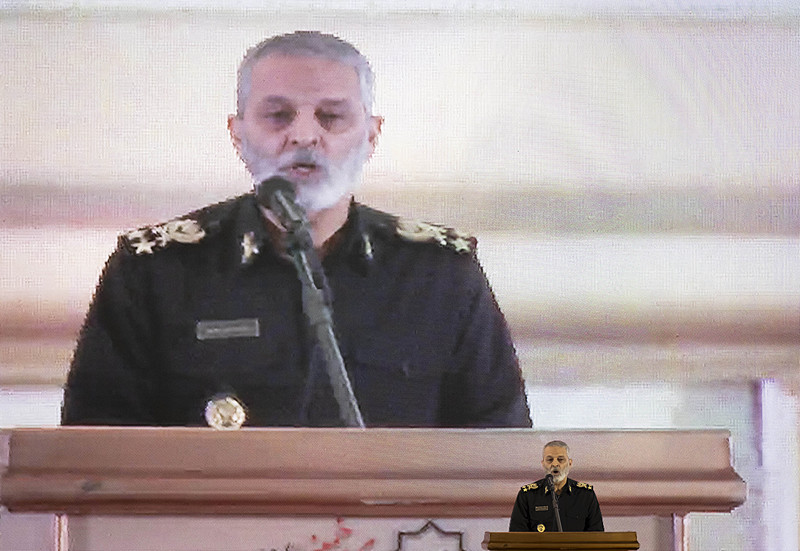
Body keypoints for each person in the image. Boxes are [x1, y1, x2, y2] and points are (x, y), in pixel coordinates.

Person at [61, 31, 531, 428]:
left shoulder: (439, 275)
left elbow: (498, 456)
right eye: (278, 115)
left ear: (371, 135)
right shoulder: (154, 271)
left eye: (331, 116)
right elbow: (90, 459)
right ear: (238, 134)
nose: (305, 135)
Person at [509, 440, 604, 532]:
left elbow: (597, 536)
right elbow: (516, 536)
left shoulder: (585, 495)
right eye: (549, 460)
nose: (555, 464)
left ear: (570, 463)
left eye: (560, 459)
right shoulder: (527, 495)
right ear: (543, 464)